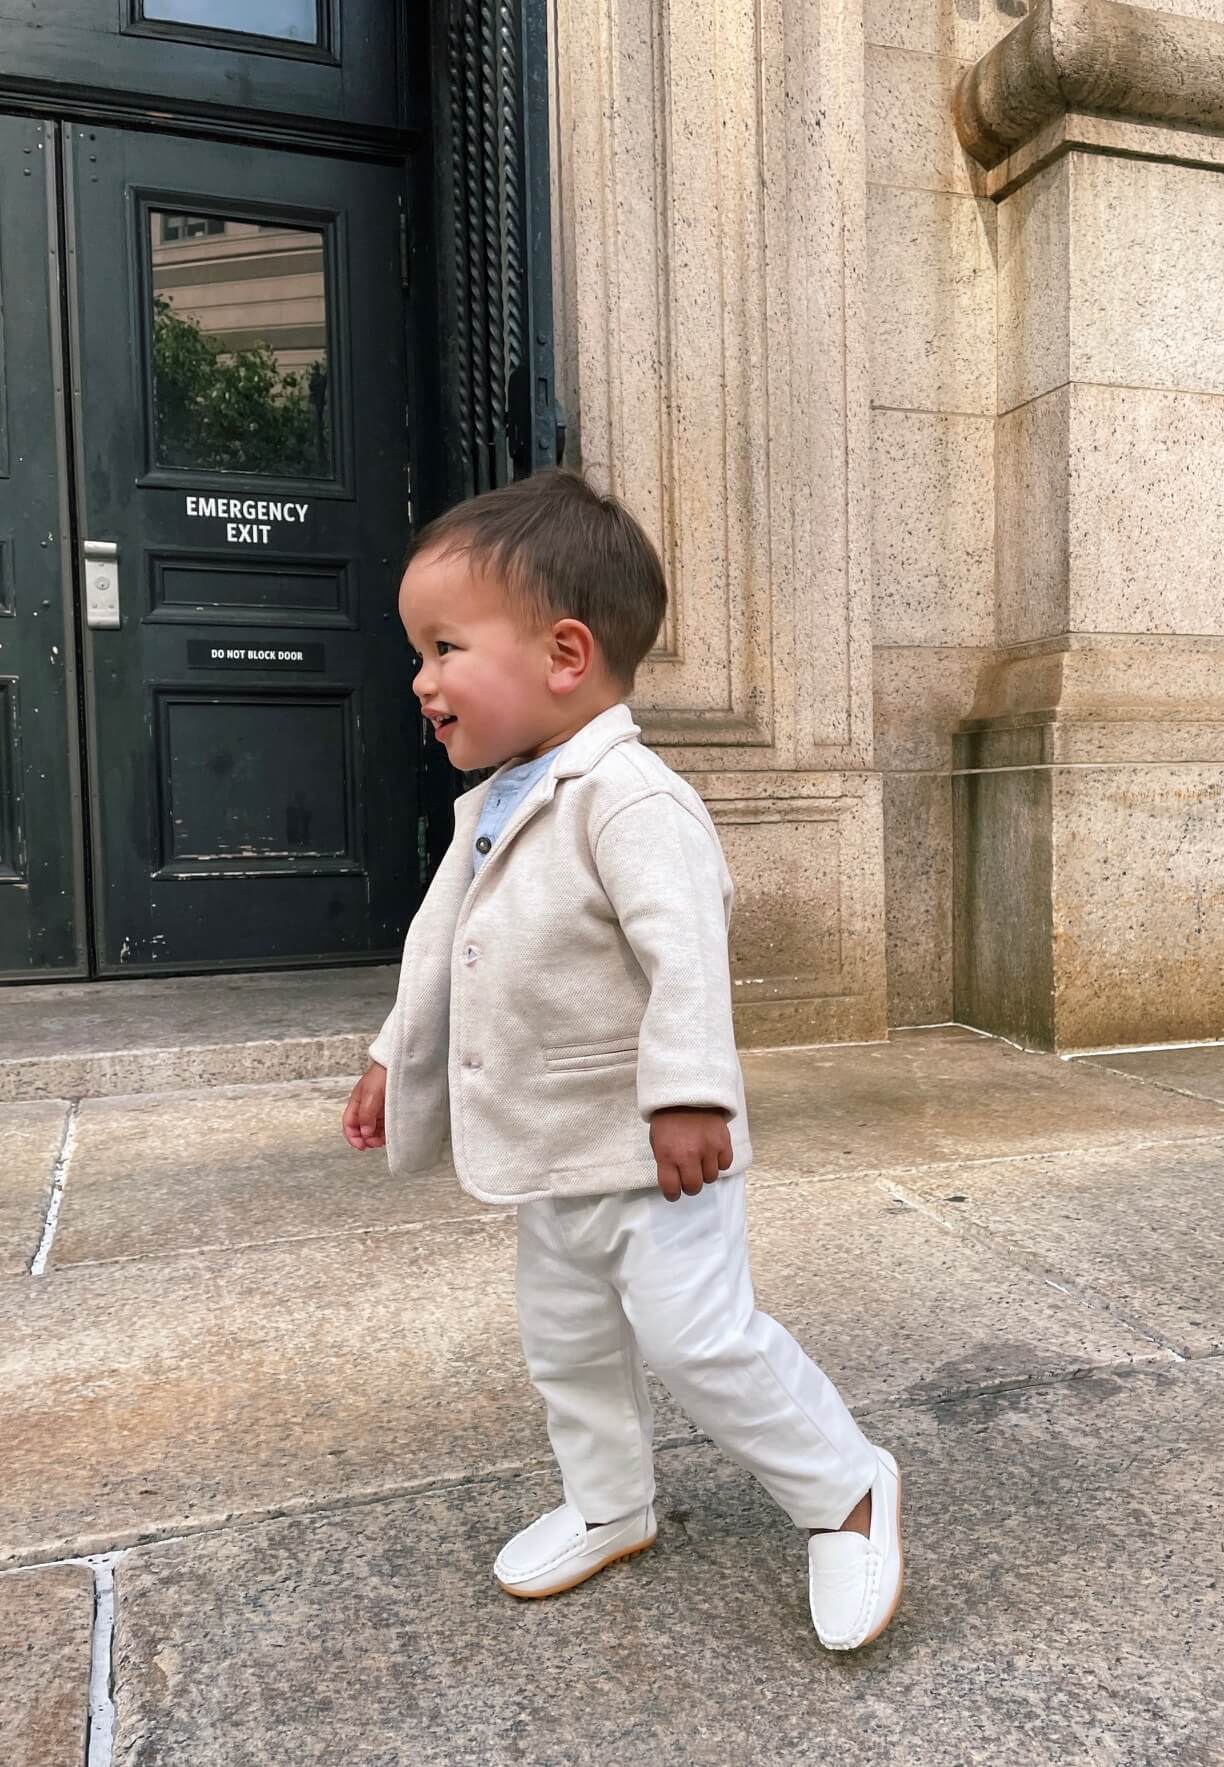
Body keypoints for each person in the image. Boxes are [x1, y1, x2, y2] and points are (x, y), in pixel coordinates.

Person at [341, 469, 901, 1651]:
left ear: (563, 653)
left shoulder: (631, 798)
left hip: (657, 1160)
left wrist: (692, 1095)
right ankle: (610, 1504)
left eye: (443, 648)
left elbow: (686, 951)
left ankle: (843, 1489)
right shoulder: (496, 799)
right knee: (569, 1344)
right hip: (552, 1152)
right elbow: (441, 942)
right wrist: (399, 1054)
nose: (421, 681)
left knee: (697, 1337)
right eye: (418, 654)